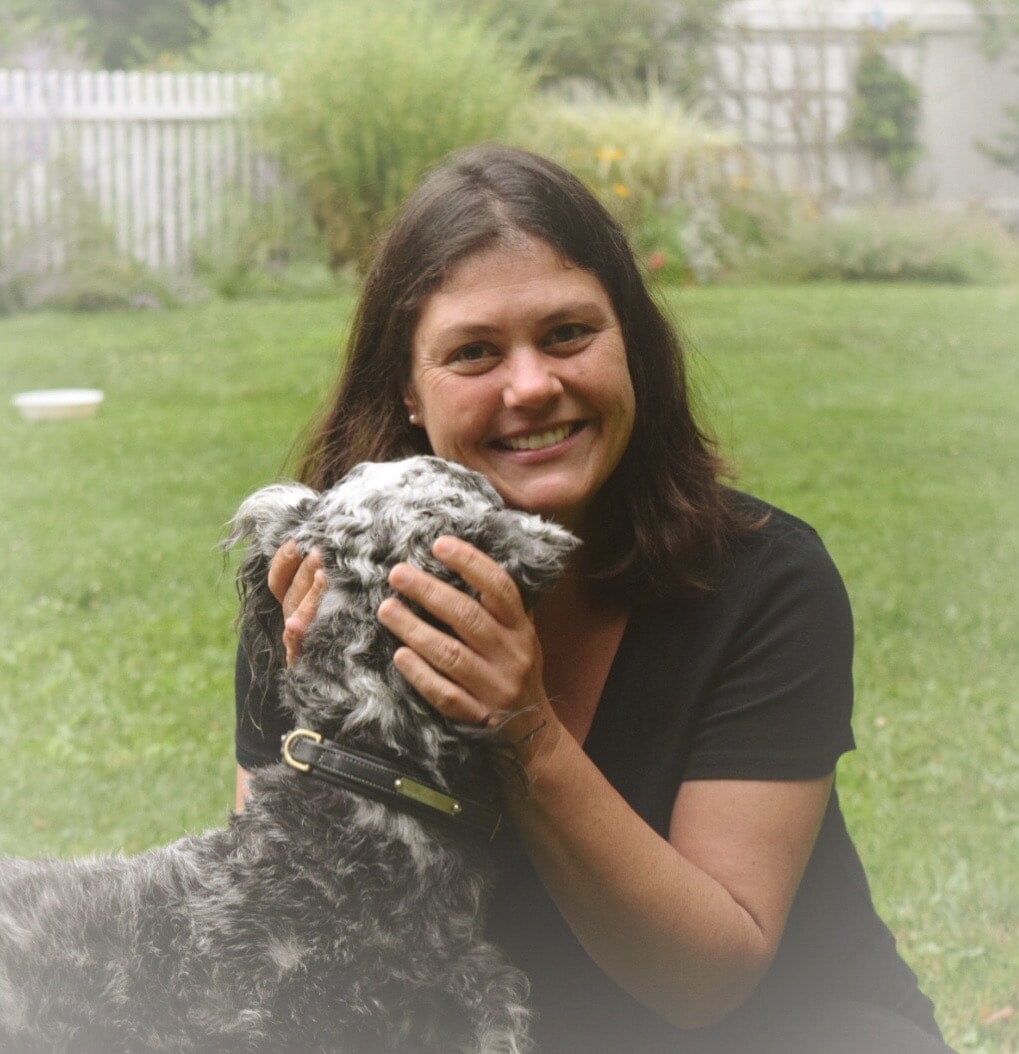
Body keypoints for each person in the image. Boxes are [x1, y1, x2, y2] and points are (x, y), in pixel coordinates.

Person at [234, 145, 955, 1053]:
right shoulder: (318, 585)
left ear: (631, 349)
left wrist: (525, 731)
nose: (533, 386)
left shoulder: (764, 581)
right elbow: (287, 936)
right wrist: (342, 729)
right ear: (409, 391)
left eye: (568, 334)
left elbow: (705, 984)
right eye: (474, 352)